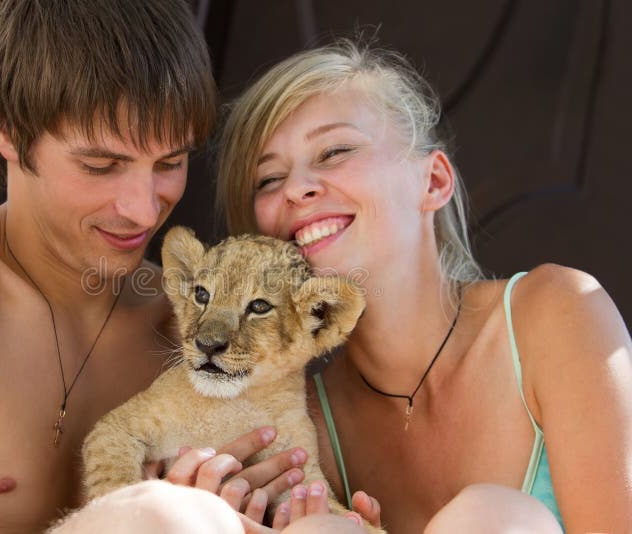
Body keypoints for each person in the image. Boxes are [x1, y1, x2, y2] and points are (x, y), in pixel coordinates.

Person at [0, 1, 312, 531]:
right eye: (101, 166)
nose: (143, 209)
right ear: (8, 131)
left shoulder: (182, 327)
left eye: (170, 164)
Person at [216, 39, 632, 533]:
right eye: (268, 179)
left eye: (335, 151)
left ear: (433, 182)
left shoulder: (557, 314)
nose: (294, 189)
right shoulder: (302, 430)